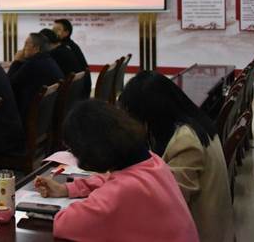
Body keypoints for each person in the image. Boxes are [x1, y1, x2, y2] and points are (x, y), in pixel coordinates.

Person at [34, 100, 198, 242]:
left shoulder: (121, 192)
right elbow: (108, 179)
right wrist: (66, 189)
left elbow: (66, 224)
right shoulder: (151, 161)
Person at [118, 71, 234, 242]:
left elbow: (169, 203)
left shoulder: (185, 141)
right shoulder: (194, 123)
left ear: (150, 114)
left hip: (200, 233)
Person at [8, 33, 64, 121]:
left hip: (30, 116)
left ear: (36, 48)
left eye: (26, 44)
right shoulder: (48, 60)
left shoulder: (33, 64)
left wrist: (16, 61)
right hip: (46, 115)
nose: (23, 49)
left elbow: (9, 85)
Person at [53, 18, 92, 90]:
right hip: (80, 88)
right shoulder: (71, 45)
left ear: (66, 33)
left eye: (57, 30)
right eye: (53, 29)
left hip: (75, 90)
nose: (53, 32)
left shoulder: (63, 49)